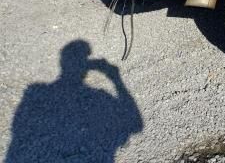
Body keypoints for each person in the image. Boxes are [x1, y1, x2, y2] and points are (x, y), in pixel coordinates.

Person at [6, 40, 143, 162]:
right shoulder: (101, 96)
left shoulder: (34, 92)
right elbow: (136, 125)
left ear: (62, 61)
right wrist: (115, 78)